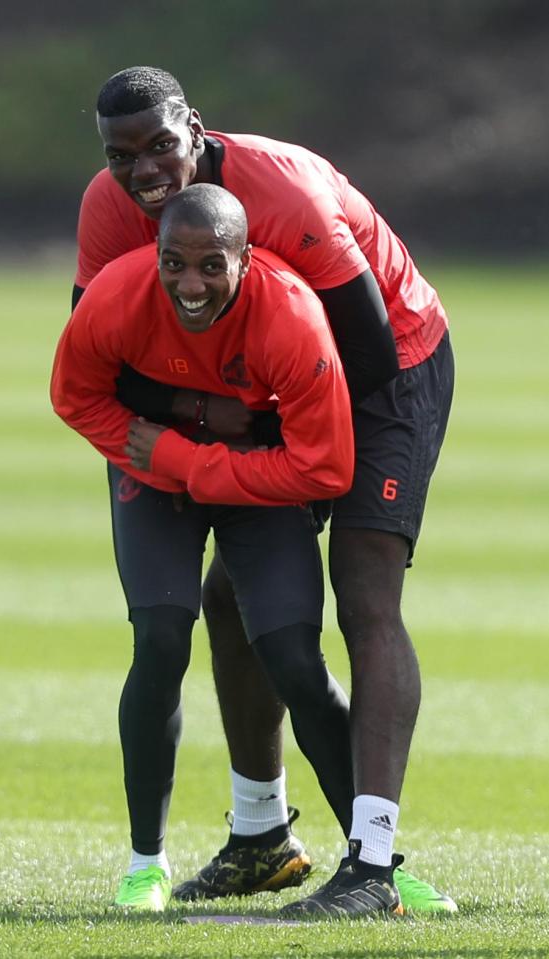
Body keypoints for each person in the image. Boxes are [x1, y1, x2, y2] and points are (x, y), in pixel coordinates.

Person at [71, 66, 456, 917]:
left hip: (386, 366)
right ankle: (260, 838)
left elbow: (365, 347)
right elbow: (102, 356)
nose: (142, 172)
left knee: (362, 597)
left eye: (160, 146)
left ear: (195, 129)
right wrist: (200, 411)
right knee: (239, 598)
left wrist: (285, 458)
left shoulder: (283, 194)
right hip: (264, 388)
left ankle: (373, 863)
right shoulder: (109, 206)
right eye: (120, 155)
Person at [51, 183, 358, 912]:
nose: (191, 284)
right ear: (154, 255)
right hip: (153, 474)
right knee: (159, 638)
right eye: (174, 263)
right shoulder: (117, 294)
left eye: (211, 265)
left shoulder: (291, 319)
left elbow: (325, 467)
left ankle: (373, 857)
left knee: (292, 656)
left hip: (248, 479)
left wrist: (189, 459)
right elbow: (75, 395)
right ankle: (144, 864)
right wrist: (171, 443)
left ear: (245, 259)